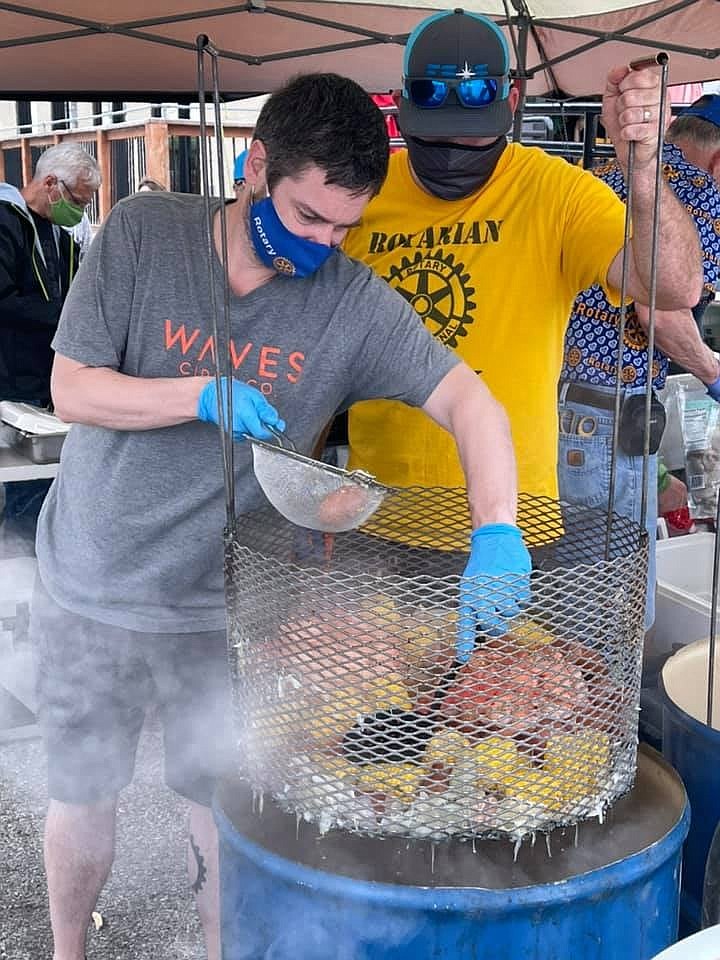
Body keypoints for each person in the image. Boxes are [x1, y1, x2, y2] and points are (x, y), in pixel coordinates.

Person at [30, 72, 531, 960]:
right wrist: (199, 393)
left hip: (224, 607)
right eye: (307, 217)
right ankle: (69, 948)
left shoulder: (348, 302)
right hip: (96, 580)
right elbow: (72, 388)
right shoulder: (148, 234)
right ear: (257, 164)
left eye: (345, 225)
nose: (322, 244)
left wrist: (498, 528)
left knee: (225, 811)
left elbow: (472, 404)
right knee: (84, 798)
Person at [342, 10, 703, 509]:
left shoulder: (555, 193)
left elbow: (675, 288)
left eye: (470, 134)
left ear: (512, 103)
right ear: (403, 106)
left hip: (513, 519)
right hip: (376, 514)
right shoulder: (364, 192)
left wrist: (643, 164)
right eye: (434, 132)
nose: (450, 148)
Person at [559, 94, 720, 625]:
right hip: (605, 418)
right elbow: (661, 311)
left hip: (548, 405)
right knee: (608, 612)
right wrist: (713, 371)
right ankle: (599, 707)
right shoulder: (697, 196)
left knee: (559, 592)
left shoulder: (594, 178)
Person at [0, 143, 100, 543]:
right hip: (11, 381)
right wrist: (67, 316)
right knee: (26, 488)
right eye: (77, 200)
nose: (79, 211)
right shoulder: (6, 223)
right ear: (51, 184)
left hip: (49, 384)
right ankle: (25, 563)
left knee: (51, 486)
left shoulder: (60, 236)